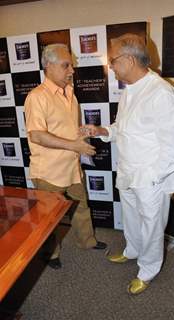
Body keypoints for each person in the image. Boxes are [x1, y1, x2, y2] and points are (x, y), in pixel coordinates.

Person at [80, 34, 174, 294]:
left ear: (128, 60)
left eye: (113, 61)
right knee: (130, 218)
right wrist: (103, 131)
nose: (111, 67)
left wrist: (152, 178)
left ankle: (148, 269)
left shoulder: (160, 92)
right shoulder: (130, 90)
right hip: (128, 170)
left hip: (151, 177)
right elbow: (125, 128)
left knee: (151, 225)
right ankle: (132, 250)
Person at [24, 43, 107, 270]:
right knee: (48, 218)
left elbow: (63, 126)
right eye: (66, 65)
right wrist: (73, 145)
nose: (72, 70)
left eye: (71, 65)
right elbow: (38, 135)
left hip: (72, 167)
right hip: (49, 172)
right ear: (49, 66)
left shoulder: (69, 92)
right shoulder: (36, 97)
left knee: (81, 206)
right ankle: (51, 254)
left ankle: (87, 241)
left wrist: (80, 132)